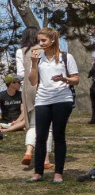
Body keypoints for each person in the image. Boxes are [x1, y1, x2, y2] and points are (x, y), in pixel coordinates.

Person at [26, 27, 78, 184]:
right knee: (40, 136)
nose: (40, 44)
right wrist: (34, 64)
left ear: (52, 40)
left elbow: (76, 79)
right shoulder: (39, 59)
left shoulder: (66, 57)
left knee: (58, 135)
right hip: (42, 99)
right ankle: (38, 172)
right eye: (39, 41)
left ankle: (58, 173)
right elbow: (33, 81)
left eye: (43, 40)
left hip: (62, 99)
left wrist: (64, 79)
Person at [16, 29, 53, 169]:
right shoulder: (44, 49)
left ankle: (28, 151)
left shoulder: (21, 51)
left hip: (28, 86)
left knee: (32, 123)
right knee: (48, 126)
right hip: (43, 84)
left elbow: (20, 74)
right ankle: (46, 159)